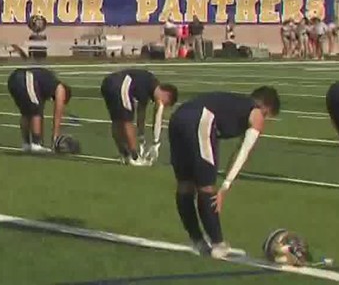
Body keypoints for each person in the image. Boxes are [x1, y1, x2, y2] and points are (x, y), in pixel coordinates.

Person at [168, 87, 280, 257]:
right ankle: (217, 243)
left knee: (185, 185)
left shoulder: (235, 103)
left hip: (178, 117)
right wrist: (225, 187)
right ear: (265, 107)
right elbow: (244, 151)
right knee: (206, 187)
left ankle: (197, 240)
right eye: (267, 115)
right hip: (201, 119)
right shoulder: (256, 112)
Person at [100, 68, 179, 165]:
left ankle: (124, 154)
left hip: (108, 83)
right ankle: (134, 157)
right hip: (120, 84)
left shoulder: (148, 86)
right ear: (167, 95)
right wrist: (154, 142)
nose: (162, 105)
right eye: (166, 103)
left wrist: (141, 138)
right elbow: (151, 113)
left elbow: (141, 115)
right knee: (126, 120)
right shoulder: (150, 83)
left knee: (117, 120)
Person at [6, 67, 72, 153]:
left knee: (26, 112)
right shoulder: (60, 88)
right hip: (26, 77)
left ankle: (27, 144)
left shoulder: (45, 87)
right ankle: (35, 144)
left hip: (14, 78)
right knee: (36, 111)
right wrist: (55, 137)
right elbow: (57, 114)